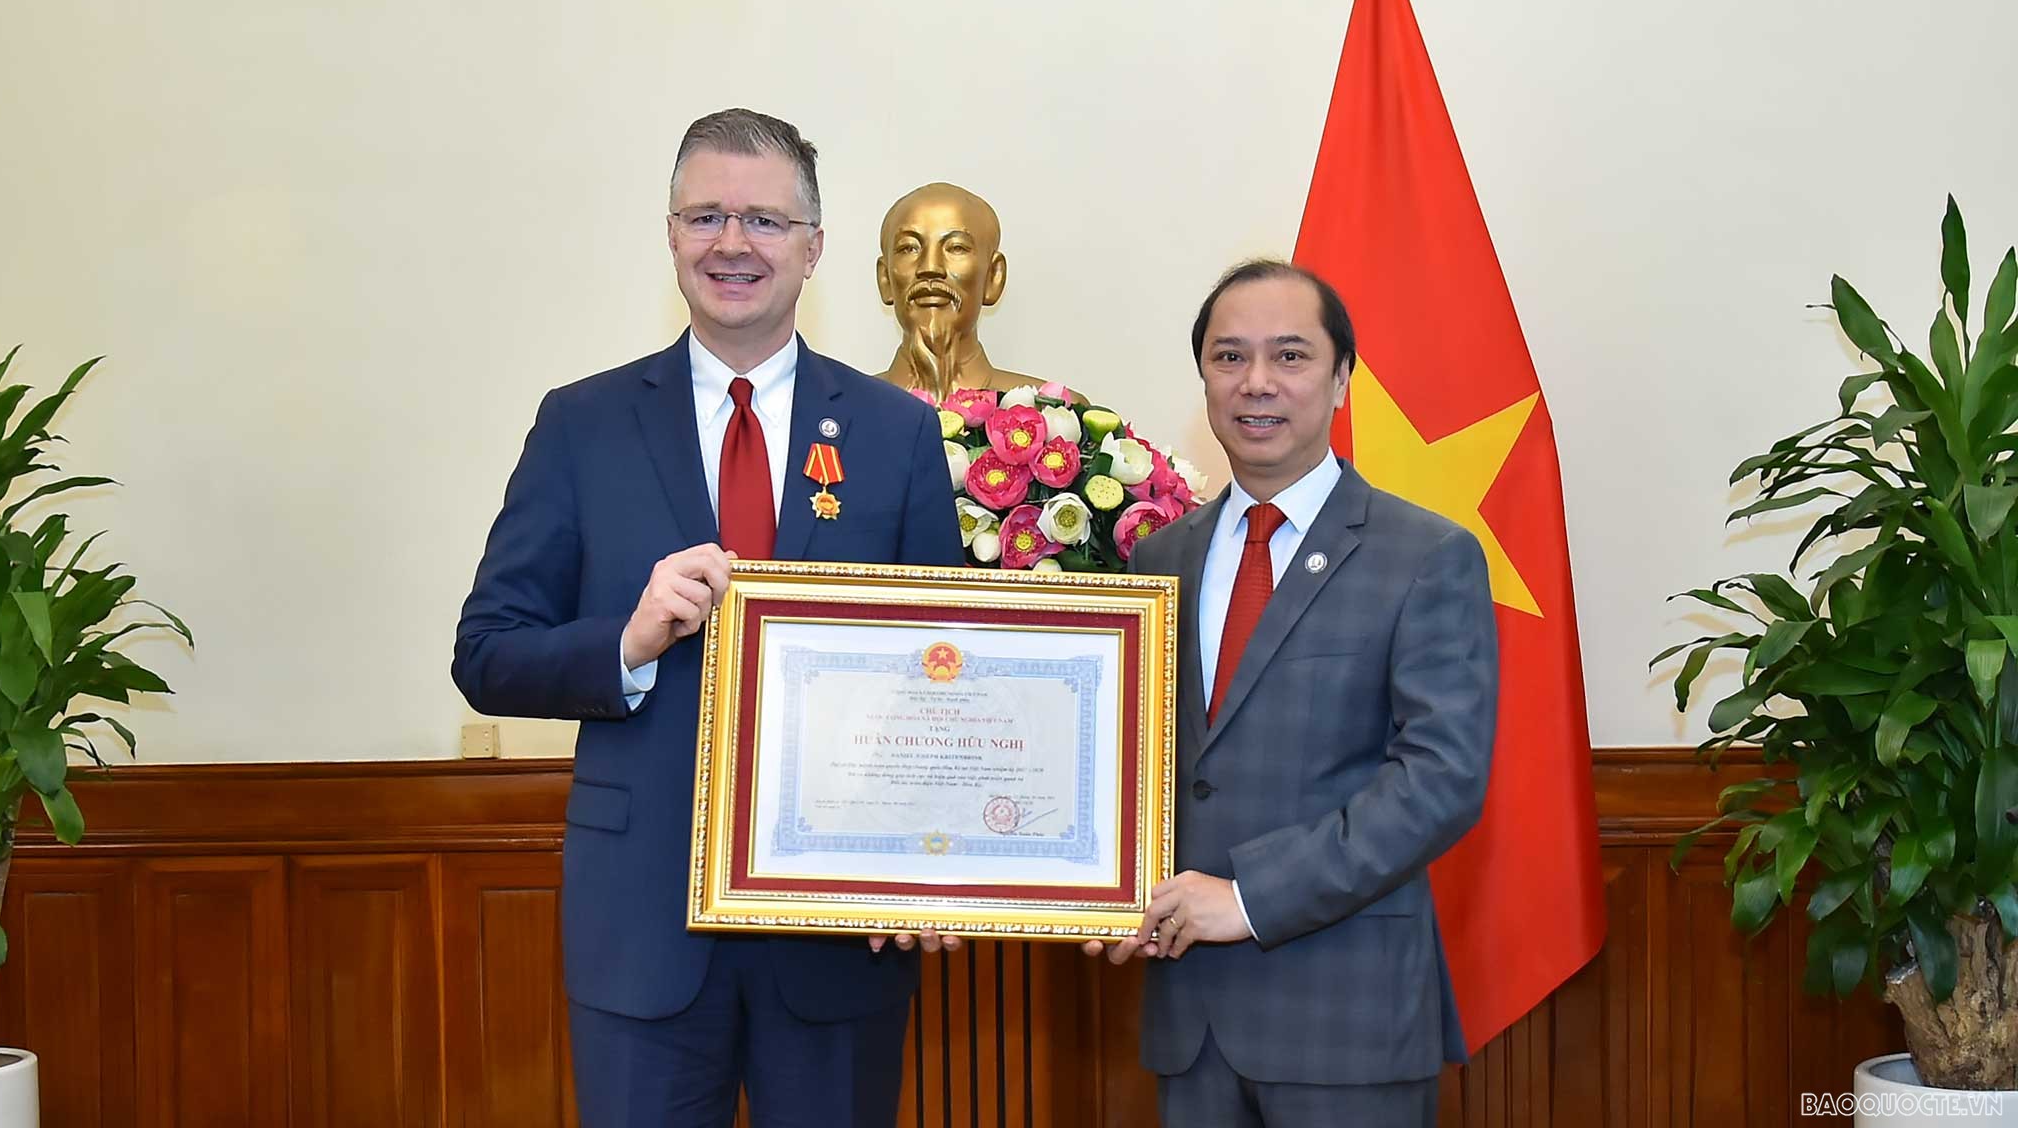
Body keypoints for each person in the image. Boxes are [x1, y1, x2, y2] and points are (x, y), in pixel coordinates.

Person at [452, 107, 960, 1128]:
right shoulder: (581, 424)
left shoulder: (895, 431)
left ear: (813, 248)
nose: (733, 243)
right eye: (706, 217)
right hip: (641, 925)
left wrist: (930, 869)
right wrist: (627, 643)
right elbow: (488, 654)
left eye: (765, 221)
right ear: (671, 235)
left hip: (838, 930)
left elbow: (940, 671)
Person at [1088, 259, 1499, 1127]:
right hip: (1190, 1020)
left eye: (1290, 355)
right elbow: (1136, 764)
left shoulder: (1426, 555)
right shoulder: (1161, 560)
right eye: (1229, 357)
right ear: (1204, 379)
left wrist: (1248, 898)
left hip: (1346, 1018)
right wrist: (1097, 887)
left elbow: (1441, 781)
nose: (1257, 382)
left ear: (1342, 379)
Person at [874, 181, 1080, 402]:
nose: (930, 267)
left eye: (956, 248)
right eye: (909, 248)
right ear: (885, 279)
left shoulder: (1055, 411)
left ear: (993, 277)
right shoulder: (851, 410)